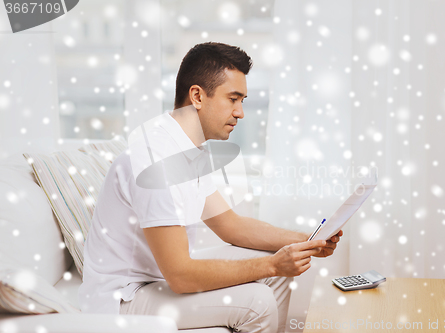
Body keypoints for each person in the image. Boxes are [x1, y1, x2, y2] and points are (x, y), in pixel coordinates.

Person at [78, 42, 343, 333]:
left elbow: (231, 226)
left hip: (155, 278)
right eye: (233, 99)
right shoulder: (157, 160)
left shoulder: (187, 149)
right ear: (197, 96)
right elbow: (180, 276)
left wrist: (306, 240)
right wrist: (273, 266)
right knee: (258, 298)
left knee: (274, 264)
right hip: (123, 299)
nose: (240, 113)